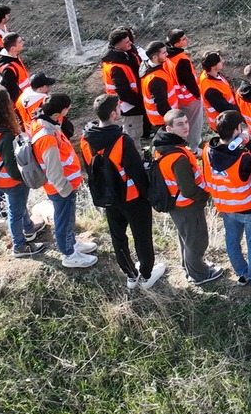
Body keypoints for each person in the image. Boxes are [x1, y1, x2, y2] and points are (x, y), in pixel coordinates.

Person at [85, 95, 163, 287]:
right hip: (132, 198)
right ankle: (146, 274)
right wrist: (150, 195)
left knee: (118, 236)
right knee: (142, 236)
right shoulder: (122, 141)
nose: (120, 111)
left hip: (107, 197)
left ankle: (130, 274)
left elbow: (89, 169)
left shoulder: (86, 139)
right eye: (118, 108)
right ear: (113, 114)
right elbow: (137, 173)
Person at [203, 110, 251, 290]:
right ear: (237, 129)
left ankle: (242, 273)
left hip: (225, 205)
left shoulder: (207, 149)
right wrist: (249, 143)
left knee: (232, 241)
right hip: (248, 207)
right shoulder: (242, 158)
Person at [151, 125, 223, 285]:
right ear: (169, 128)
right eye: (180, 124)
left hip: (175, 204)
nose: (186, 126)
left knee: (185, 237)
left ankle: (189, 266)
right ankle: (199, 274)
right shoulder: (178, 158)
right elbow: (189, 189)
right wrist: (205, 196)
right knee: (197, 240)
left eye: (186, 122)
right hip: (188, 205)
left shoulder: (162, 148)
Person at [30, 93, 96, 268]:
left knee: (67, 219)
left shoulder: (46, 124)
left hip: (64, 185)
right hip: (61, 188)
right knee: (64, 221)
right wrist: (65, 190)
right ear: (56, 114)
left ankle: (72, 243)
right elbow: (53, 170)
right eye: (66, 109)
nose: (69, 110)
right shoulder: (47, 137)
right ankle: (69, 254)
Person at [0, 86, 36, 258]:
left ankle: (29, 228)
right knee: (15, 212)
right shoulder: (5, 136)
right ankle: (19, 246)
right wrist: (26, 178)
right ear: (4, 107)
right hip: (11, 181)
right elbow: (13, 168)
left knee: (18, 205)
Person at [100, 28, 144, 140]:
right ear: (117, 46)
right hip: (129, 106)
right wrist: (140, 102)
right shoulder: (116, 67)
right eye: (127, 42)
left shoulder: (124, 55)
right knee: (133, 136)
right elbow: (124, 92)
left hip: (131, 104)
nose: (131, 43)